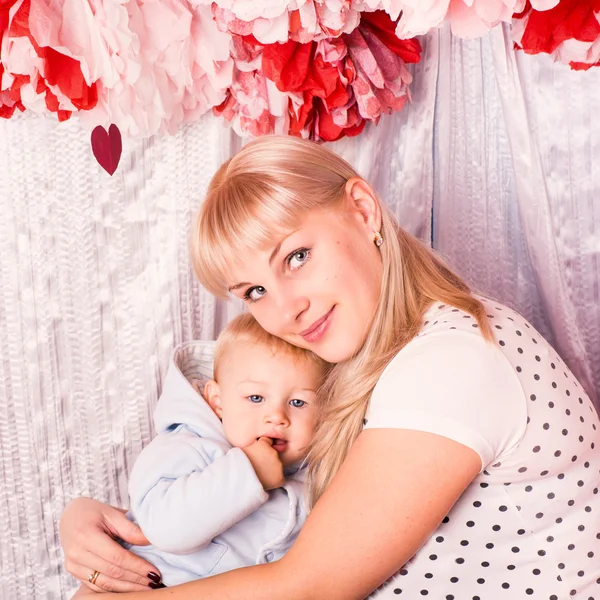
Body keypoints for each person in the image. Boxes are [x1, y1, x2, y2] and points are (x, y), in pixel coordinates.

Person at [60, 135, 600, 599]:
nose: (285, 310)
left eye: (296, 257)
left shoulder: (451, 360)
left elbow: (308, 587)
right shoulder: (358, 355)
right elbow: (224, 435)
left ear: (363, 210)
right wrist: (104, 526)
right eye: (254, 291)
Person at [121, 312, 328, 588]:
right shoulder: (186, 446)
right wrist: (250, 472)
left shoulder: (317, 472)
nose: (276, 416)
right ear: (218, 402)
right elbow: (164, 528)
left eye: (299, 403)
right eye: (256, 398)